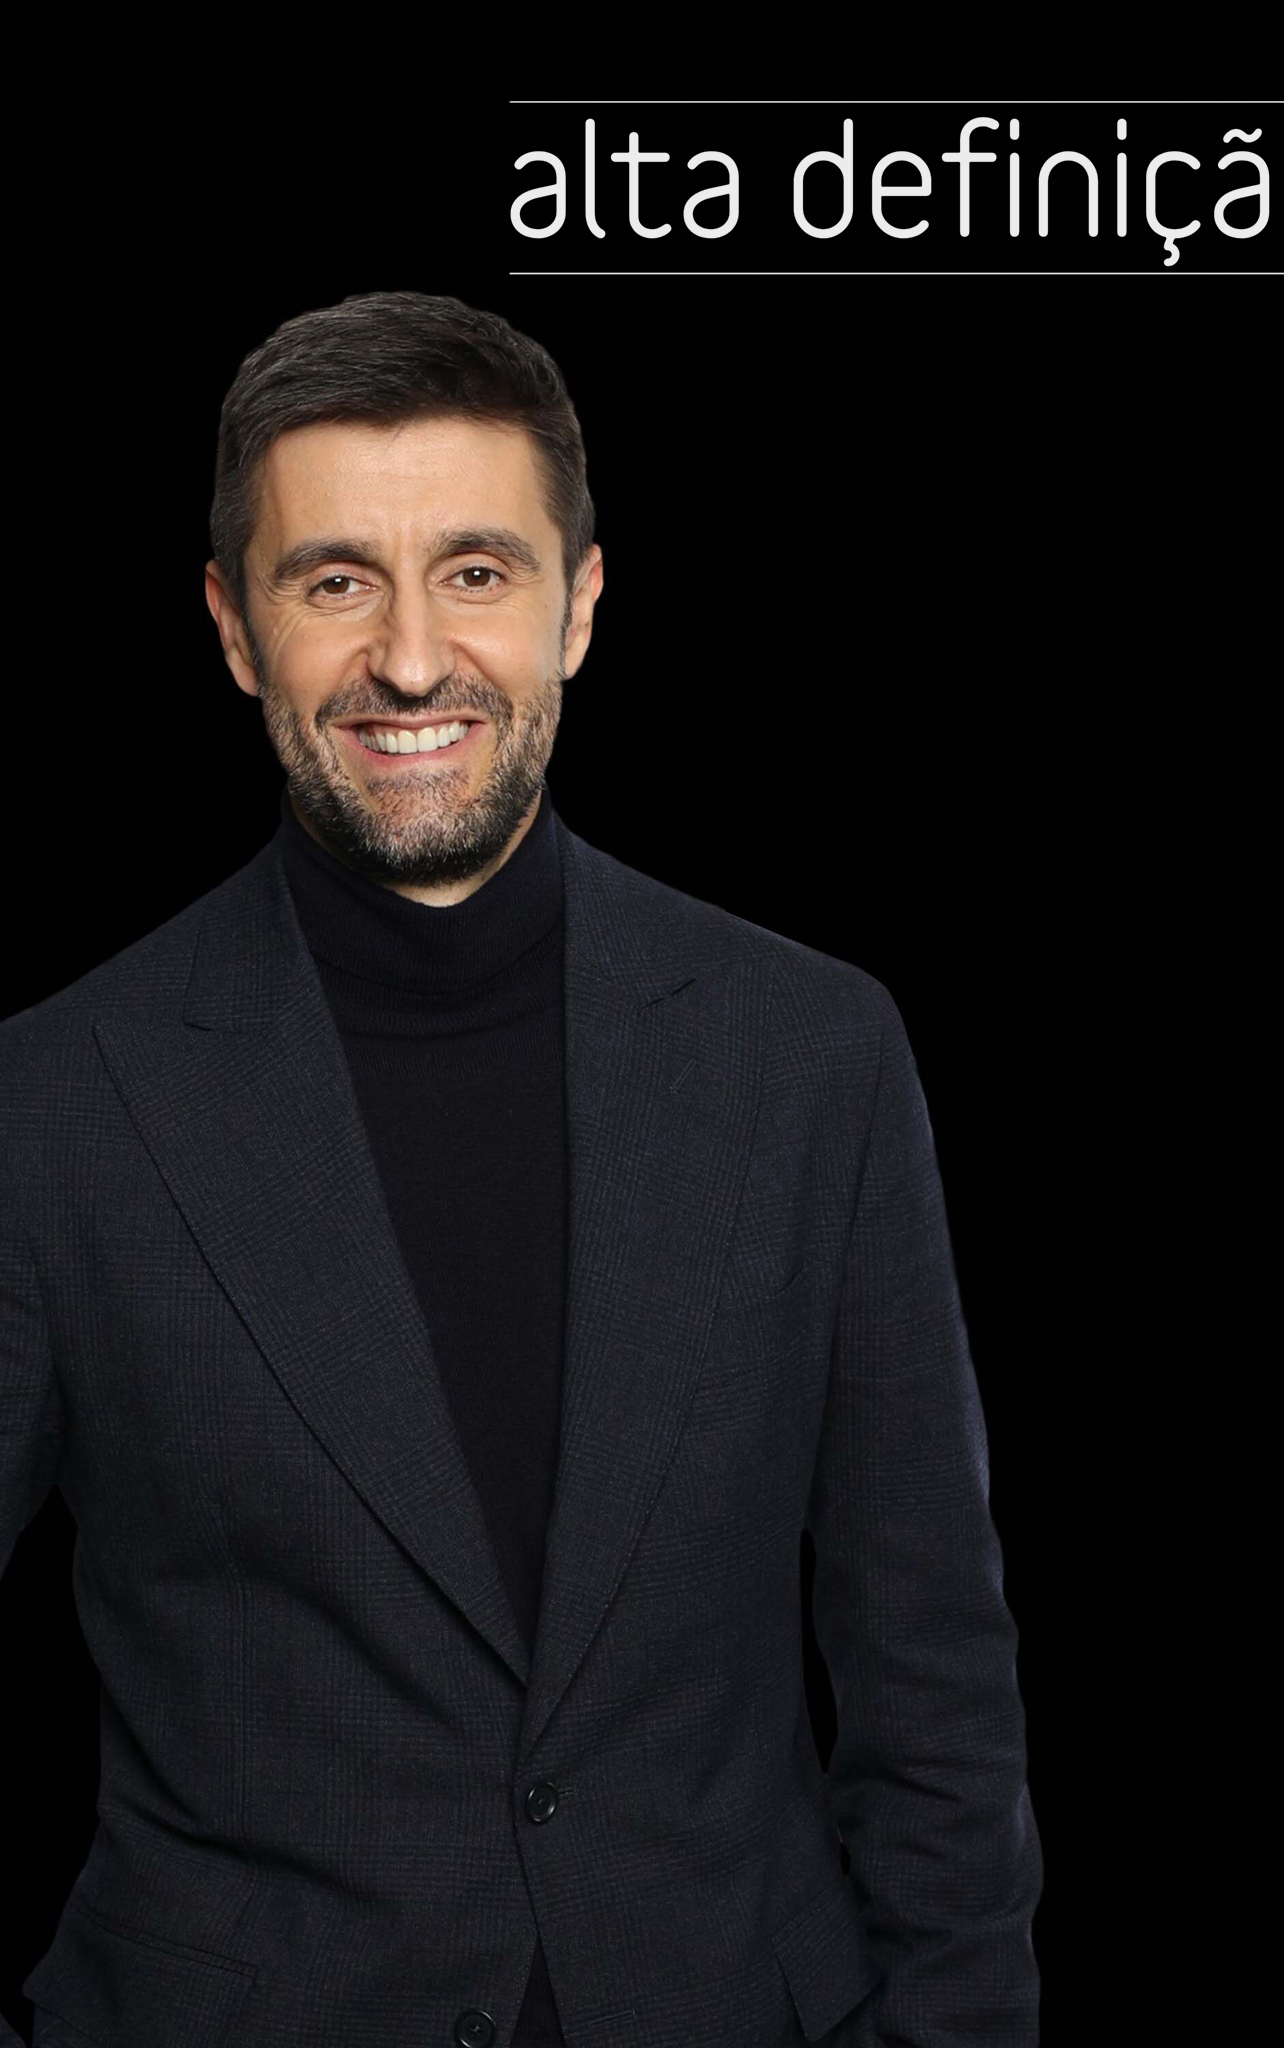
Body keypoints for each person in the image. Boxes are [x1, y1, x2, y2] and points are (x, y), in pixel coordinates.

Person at [1, 289, 1042, 2047]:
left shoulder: (813, 1054)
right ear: (234, 628)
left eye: (476, 571)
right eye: (335, 581)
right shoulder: (52, 1104)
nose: (412, 660)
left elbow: (933, 1672)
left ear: (582, 606)